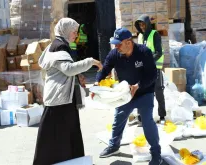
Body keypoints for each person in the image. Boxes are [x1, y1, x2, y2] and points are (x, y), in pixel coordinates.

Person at [33, 18, 103, 165]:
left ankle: (73, 161)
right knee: (57, 137)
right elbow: (68, 69)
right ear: (65, 30)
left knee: (67, 134)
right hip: (59, 100)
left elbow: (65, 70)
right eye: (74, 32)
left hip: (64, 98)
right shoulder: (59, 46)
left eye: (77, 32)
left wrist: (79, 76)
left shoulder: (61, 45)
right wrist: (91, 61)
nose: (76, 35)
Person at [95, 27, 162, 165]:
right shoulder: (115, 54)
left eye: (118, 43)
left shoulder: (144, 52)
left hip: (144, 92)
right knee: (119, 117)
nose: (116, 46)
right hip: (125, 94)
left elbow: (152, 75)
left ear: (128, 42)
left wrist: (138, 85)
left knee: (147, 121)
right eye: (115, 43)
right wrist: (97, 83)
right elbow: (105, 68)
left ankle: (156, 153)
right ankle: (114, 146)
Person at [135, 14, 166, 123]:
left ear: (148, 24)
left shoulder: (155, 34)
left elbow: (159, 52)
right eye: (140, 25)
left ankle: (162, 116)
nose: (142, 26)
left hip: (155, 68)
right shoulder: (140, 36)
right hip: (143, 70)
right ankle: (141, 117)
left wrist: (148, 61)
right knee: (141, 92)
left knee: (158, 92)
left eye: (143, 24)